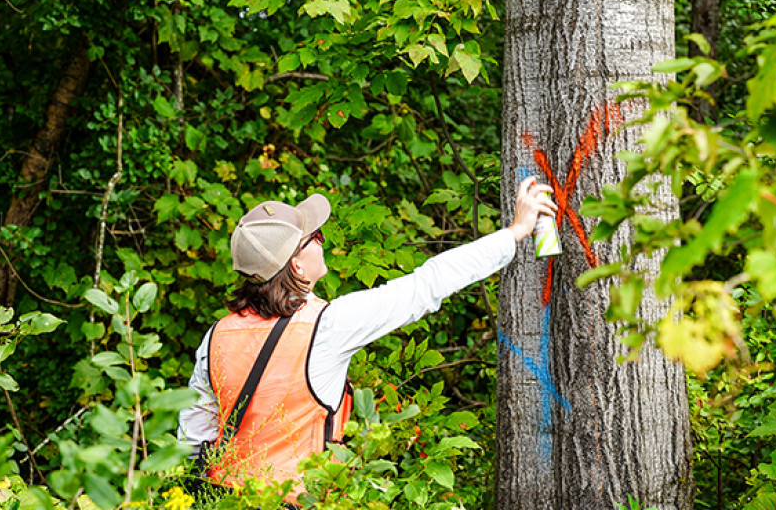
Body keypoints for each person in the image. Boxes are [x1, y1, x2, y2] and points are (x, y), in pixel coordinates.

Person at [177, 177, 557, 504]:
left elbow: (194, 438)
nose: (323, 243)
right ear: (296, 264)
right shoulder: (328, 327)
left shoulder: (216, 337)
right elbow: (427, 285)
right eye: (317, 238)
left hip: (225, 500)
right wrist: (515, 232)